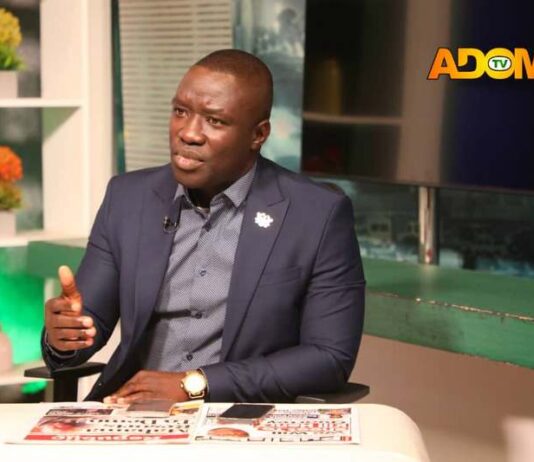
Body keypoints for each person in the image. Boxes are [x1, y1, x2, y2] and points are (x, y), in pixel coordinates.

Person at [42, 49, 365, 404]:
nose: (188, 133)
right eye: (180, 112)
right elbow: (85, 326)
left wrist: (196, 384)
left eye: (215, 121)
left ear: (258, 135)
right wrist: (63, 336)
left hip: (237, 418)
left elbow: (328, 357)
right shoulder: (128, 198)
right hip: (129, 412)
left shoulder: (317, 214)